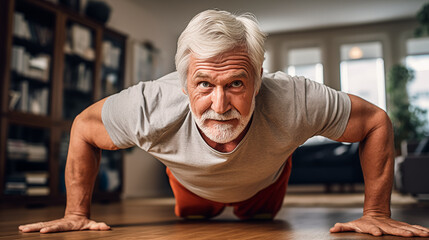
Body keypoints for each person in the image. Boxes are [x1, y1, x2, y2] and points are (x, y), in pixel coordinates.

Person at [19, 9, 429, 237]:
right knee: (194, 218)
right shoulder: (150, 104)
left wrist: (375, 212)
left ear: (259, 77)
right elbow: (83, 128)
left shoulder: (293, 98)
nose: (220, 103)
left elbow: (375, 121)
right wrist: (76, 212)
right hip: (189, 184)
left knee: (260, 223)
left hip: (265, 182)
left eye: (236, 83)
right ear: (183, 81)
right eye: (203, 84)